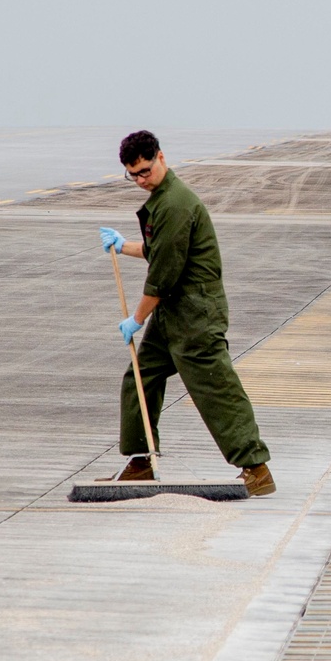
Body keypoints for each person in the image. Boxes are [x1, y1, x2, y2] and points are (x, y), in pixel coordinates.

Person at [96, 130, 275, 494]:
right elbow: (158, 251)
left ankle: (257, 468)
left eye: (145, 171)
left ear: (161, 157)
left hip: (195, 315)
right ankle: (140, 460)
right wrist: (123, 245)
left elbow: (161, 277)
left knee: (215, 388)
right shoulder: (162, 199)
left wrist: (137, 318)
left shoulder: (176, 203)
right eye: (134, 176)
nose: (141, 180)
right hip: (173, 313)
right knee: (140, 378)